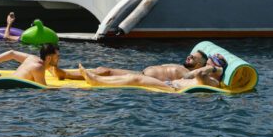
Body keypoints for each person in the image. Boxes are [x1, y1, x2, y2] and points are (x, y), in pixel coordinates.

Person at [79, 52, 229, 91]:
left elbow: (201, 74)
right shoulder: (206, 75)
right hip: (170, 84)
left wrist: (214, 69)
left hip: (172, 88)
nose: (210, 61)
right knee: (134, 78)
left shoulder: (213, 81)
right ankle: (96, 79)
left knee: (136, 80)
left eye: (214, 60)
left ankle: (97, 81)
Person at [66, 49, 210, 82]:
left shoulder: (186, 73)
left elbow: (194, 76)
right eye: (190, 55)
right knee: (102, 69)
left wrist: (210, 67)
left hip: (143, 78)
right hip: (141, 73)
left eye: (192, 58)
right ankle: (68, 74)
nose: (188, 57)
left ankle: (66, 75)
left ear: (198, 64)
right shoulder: (179, 66)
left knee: (106, 72)